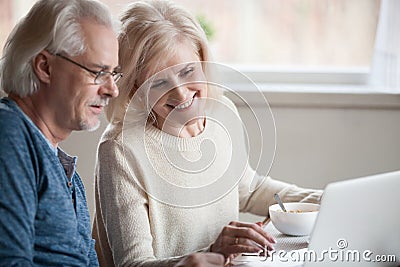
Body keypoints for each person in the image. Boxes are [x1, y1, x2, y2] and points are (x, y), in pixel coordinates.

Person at [92, 0, 323, 266]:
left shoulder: (222, 111)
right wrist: (212, 249)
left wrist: (326, 200)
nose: (180, 93)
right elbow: (132, 263)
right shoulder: (120, 149)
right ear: (135, 89)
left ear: (202, 59)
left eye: (188, 71)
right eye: (159, 82)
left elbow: (247, 190)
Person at [0, 0, 121, 266]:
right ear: (45, 67)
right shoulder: (9, 136)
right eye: (99, 72)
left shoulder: (68, 173)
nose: (113, 90)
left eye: (114, 74)